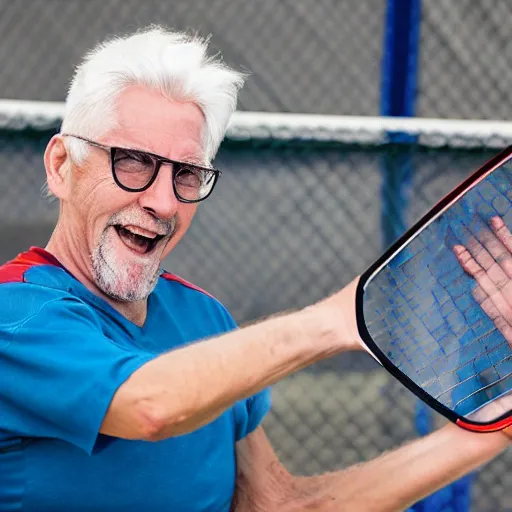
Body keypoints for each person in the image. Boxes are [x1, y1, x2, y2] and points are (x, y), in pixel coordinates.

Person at [0, 27, 509, 512]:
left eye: (187, 174)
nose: (163, 201)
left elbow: (277, 504)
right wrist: (333, 322)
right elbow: (148, 405)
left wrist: (499, 419)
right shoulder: (13, 314)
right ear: (62, 165)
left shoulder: (203, 320)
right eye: (132, 161)